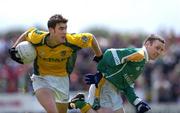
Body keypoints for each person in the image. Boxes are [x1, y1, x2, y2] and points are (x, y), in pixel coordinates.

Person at [9, 14, 102, 113]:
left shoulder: (72, 40)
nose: (64, 32)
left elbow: (91, 38)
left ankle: (77, 102)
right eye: (61, 29)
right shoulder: (38, 38)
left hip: (62, 81)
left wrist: (99, 57)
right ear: (51, 30)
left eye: (65, 28)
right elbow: (27, 33)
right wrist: (13, 48)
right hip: (41, 79)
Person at [69, 34, 166, 113]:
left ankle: (80, 102)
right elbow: (110, 53)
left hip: (114, 89)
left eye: (161, 50)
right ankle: (80, 103)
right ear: (147, 44)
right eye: (157, 48)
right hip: (104, 85)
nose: (159, 52)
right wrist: (99, 73)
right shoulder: (139, 54)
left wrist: (137, 102)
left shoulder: (142, 63)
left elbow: (127, 85)